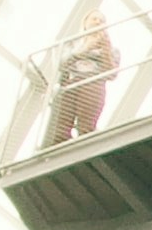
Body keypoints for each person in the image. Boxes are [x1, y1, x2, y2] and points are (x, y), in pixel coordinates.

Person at [45, 9, 115, 147]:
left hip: (92, 85)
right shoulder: (69, 44)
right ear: (85, 23)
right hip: (70, 84)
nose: (98, 22)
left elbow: (112, 74)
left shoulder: (111, 50)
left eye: (102, 21)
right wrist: (86, 48)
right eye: (94, 19)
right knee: (61, 125)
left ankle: (86, 137)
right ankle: (59, 143)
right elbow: (61, 63)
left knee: (86, 124)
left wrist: (105, 51)